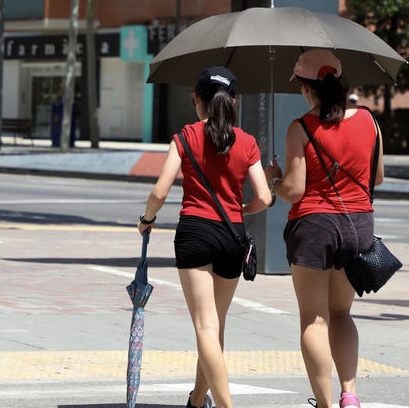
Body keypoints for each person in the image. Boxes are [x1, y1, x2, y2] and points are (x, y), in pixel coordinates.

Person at [138, 67, 272, 408]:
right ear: (233, 102)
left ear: (198, 100)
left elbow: (159, 190)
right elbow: (265, 198)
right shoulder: (247, 142)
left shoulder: (186, 136)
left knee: (205, 326)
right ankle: (198, 400)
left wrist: (146, 220)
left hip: (195, 232)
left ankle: (226, 405)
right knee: (215, 326)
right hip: (232, 235)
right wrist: (240, 208)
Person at [265, 50, 382, 408]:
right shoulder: (368, 120)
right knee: (342, 313)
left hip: (314, 227)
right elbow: (377, 177)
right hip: (358, 225)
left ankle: (325, 403)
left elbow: (295, 191)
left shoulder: (300, 128)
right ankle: (350, 394)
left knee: (313, 319)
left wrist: (274, 181)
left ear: (306, 87)